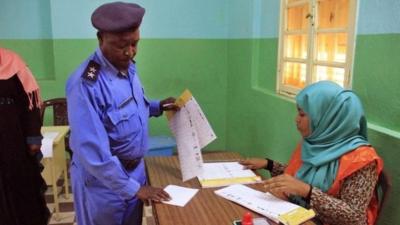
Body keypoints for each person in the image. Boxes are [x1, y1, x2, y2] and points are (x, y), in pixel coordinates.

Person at [66, 2, 179, 225]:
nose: (130, 52)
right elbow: (91, 152)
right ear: (100, 39)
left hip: (134, 172)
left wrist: (156, 107)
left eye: (135, 43)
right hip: (103, 184)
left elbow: (124, 111)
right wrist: (133, 188)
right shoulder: (86, 85)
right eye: (121, 45)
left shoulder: (127, 67)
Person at [240, 81, 383, 225]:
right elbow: (300, 177)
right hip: (301, 216)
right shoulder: (315, 143)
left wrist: (308, 192)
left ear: (327, 118)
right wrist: (269, 164)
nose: (296, 119)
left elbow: (354, 217)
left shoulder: (362, 159)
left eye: (302, 114)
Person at [0, 47, 50, 225]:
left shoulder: (13, 62)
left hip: (13, 141)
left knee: (20, 189)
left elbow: (31, 103)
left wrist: (34, 138)